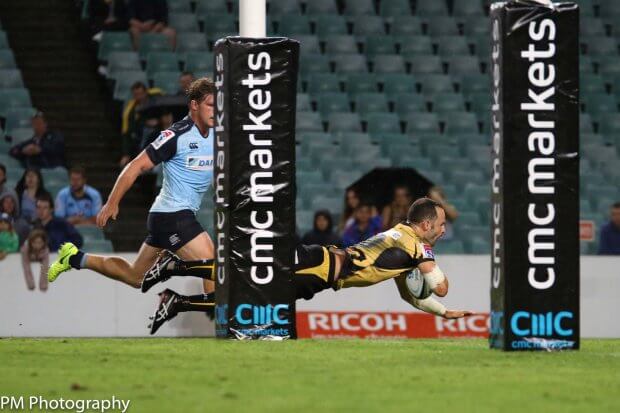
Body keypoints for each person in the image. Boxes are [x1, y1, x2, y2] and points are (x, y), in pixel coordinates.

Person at [147, 198, 473, 334]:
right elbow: (439, 285)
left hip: (319, 273)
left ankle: (179, 301)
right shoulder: (415, 244)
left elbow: (411, 296)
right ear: (427, 225)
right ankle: (177, 268)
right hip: (319, 265)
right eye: (441, 224)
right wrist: (431, 266)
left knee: (249, 298)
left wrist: (444, 314)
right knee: (247, 282)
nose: (445, 230)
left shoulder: (406, 246)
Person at [47, 78, 217, 299]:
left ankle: (75, 258)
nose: (216, 110)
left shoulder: (217, 134)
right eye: (211, 105)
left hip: (169, 217)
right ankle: (221, 327)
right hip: (172, 216)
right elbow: (135, 166)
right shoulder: (176, 136)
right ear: (194, 105)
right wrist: (112, 202)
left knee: (135, 277)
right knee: (211, 265)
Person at [120, 82, 164, 167]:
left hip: (158, 137)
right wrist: (126, 154)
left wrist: (158, 121)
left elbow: (167, 118)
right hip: (140, 142)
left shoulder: (157, 102)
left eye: (141, 94)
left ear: (146, 92)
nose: (139, 97)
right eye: (136, 94)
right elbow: (127, 132)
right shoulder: (131, 111)